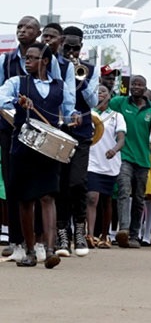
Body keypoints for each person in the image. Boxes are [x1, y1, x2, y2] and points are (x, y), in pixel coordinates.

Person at [0, 42, 79, 268]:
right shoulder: (17, 83)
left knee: (48, 197)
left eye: (32, 58)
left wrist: (74, 116)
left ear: (44, 61)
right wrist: (17, 101)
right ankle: (30, 251)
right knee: (26, 200)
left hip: (49, 150)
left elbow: (68, 111)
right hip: (22, 149)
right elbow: (1, 98)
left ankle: (50, 249)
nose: (27, 61)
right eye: (26, 57)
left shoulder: (59, 86)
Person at [49, 26, 98, 258]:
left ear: (81, 47)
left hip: (81, 132)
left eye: (75, 48)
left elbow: (94, 101)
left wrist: (82, 79)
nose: (70, 52)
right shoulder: (52, 65)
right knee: (60, 184)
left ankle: (79, 228)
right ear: (60, 44)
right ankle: (62, 233)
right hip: (58, 131)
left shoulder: (90, 69)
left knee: (77, 182)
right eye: (67, 47)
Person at [108, 75, 151, 249]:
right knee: (124, 191)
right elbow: (103, 106)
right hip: (124, 156)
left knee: (139, 198)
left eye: (140, 85)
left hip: (143, 159)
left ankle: (134, 235)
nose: (136, 87)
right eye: (133, 84)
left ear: (145, 88)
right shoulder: (120, 102)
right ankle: (124, 230)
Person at [86, 85, 125, 250]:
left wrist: (114, 150)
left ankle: (104, 235)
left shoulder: (116, 116)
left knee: (107, 199)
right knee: (92, 197)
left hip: (110, 162)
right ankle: (89, 235)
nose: (100, 94)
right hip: (91, 161)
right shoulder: (88, 114)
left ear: (110, 96)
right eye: (97, 91)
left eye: (103, 91)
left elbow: (121, 139)